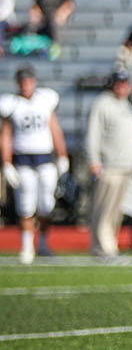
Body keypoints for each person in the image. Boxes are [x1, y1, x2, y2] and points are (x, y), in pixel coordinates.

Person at [0, 67, 69, 263]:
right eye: (22, 82)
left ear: (35, 81)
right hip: (23, 159)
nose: (26, 85)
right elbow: (5, 136)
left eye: (28, 81)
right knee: (26, 204)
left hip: (45, 158)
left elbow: (55, 128)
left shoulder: (45, 100)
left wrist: (62, 155)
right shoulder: (11, 104)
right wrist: (6, 163)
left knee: (46, 204)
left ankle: (44, 244)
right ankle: (27, 246)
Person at [84, 68, 132, 258]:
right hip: (109, 165)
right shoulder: (103, 104)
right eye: (119, 83)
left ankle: (110, 244)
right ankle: (102, 247)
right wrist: (94, 159)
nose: (123, 86)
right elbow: (94, 134)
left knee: (116, 212)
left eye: (125, 83)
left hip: (126, 165)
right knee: (104, 209)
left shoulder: (128, 105)